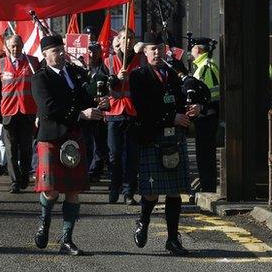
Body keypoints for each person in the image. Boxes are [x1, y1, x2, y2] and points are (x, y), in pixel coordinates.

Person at [31, 34, 107, 256]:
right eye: (55, 51)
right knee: (52, 191)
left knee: (73, 190)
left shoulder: (74, 72)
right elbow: (48, 108)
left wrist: (97, 100)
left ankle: (67, 239)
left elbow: (86, 95)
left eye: (61, 49)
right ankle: (44, 224)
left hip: (74, 137)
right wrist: (81, 114)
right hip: (52, 137)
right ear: (45, 55)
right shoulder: (40, 78)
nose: (61, 54)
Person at [129, 31, 203, 256]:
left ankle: (173, 239)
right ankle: (143, 221)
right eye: (153, 49)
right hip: (152, 136)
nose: (157, 53)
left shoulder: (173, 73)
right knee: (151, 192)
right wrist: (170, 118)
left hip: (174, 138)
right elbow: (143, 108)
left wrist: (194, 107)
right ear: (144, 51)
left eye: (160, 48)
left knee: (174, 192)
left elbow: (186, 96)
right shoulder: (138, 76)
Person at [0, 35, 39, 193]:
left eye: (18, 45)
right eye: (12, 46)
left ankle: (24, 176)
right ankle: (14, 181)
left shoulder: (32, 62)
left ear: (22, 45)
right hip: (8, 113)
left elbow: (39, 88)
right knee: (11, 149)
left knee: (26, 148)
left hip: (27, 112)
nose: (15, 49)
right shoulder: (0, 64)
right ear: (7, 47)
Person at [104, 28, 141, 205]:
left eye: (131, 38)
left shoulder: (140, 60)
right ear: (118, 40)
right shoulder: (109, 61)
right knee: (115, 155)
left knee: (132, 155)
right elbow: (102, 86)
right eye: (125, 38)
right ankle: (114, 188)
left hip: (133, 113)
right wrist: (116, 79)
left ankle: (129, 192)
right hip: (114, 113)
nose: (128, 41)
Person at [190, 37, 221, 192]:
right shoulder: (203, 65)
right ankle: (205, 183)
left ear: (198, 50)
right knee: (203, 153)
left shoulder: (205, 67)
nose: (190, 50)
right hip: (204, 115)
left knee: (205, 154)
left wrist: (202, 107)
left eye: (192, 47)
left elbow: (212, 94)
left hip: (207, 116)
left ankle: (207, 185)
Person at [85, 42, 110, 182]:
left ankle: (95, 171)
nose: (92, 54)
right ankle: (87, 169)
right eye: (90, 51)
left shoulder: (105, 68)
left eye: (95, 51)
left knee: (99, 143)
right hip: (85, 110)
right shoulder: (80, 67)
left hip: (100, 110)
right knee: (87, 142)